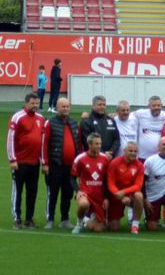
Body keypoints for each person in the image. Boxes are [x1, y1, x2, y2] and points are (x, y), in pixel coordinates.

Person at [41, 97, 81, 229]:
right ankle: (50, 219)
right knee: (52, 193)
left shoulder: (74, 123)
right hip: (55, 165)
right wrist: (45, 163)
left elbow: (79, 145)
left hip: (70, 167)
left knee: (68, 193)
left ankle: (65, 219)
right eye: (63, 106)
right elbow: (44, 144)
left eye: (67, 106)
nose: (66, 109)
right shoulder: (50, 123)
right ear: (57, 108)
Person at [8, 93, 45, 228]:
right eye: (33, 103)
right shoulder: (17, 117)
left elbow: (42, 141)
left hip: (34, 163)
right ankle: (17, 218)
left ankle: (29, 219)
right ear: (26, 103)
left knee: (32, 191)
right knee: (17, 191)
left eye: (37, 103)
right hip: (20, 162)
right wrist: (12, 159)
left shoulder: (40, 118)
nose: (35, 106)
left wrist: (42, 161)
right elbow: (10, 139)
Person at [71, 133, 110, 234]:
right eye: (96, 144)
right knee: (83, 204)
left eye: (100, 144)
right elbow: (72, 178)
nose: (99, 146)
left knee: (98, 229)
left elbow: (106, 179)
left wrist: (106, 197)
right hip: (86, 193)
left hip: (99, 196)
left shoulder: (105, 158)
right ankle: (79, 223)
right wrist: (78, 191)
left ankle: (87, 219)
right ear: (89, 144)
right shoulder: (80, 159)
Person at [106, 141, 145, 234]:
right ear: (124, 151)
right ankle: (104, 217)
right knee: (113, 228)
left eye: (135, 151)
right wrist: (120, 195)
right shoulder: (115, 163)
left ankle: (135, 225)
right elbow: (110, 183)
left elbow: (138, 185)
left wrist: (124, 192)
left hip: (130, 195)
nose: (133, 153)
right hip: (116, 196)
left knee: (139, 196)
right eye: (130, 151)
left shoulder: (139, 165)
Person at [134, 96, 165, 160]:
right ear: (149, 106)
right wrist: (115, 114)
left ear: (162, 106)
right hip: (143, 156)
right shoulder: (140, 113)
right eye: (154, 105)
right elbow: (127, 116)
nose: (156, 107)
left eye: (158, 105)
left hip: (160, 156)